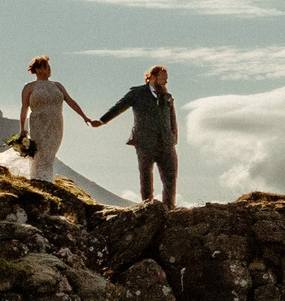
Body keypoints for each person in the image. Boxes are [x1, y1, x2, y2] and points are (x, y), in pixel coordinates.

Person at [94, 64, 180, 207]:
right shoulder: (137, 93)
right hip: (145, 141)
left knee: (170, 177)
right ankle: (148, 206)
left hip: (166, 143)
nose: (165, 82)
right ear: (152, 77)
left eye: (166, 79)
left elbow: (172, 119)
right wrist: (102, 120)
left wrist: (173, 138)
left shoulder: (167, 97)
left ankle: (170, 207)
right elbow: (119, 106)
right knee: (146, 176)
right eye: (163, 78)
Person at [10, 56, 89, 183]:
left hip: (56, 123)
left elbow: (70, 101)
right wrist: (22, 128)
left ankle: (46, 179)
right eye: (46, 66)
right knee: (40, 151)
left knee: (50, 152)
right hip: (38, 123)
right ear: (38, 69)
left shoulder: (57, 85)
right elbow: (24, 107)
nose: (49, 69)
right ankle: (39, 179)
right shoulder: (30, 87)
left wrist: (84, 116)